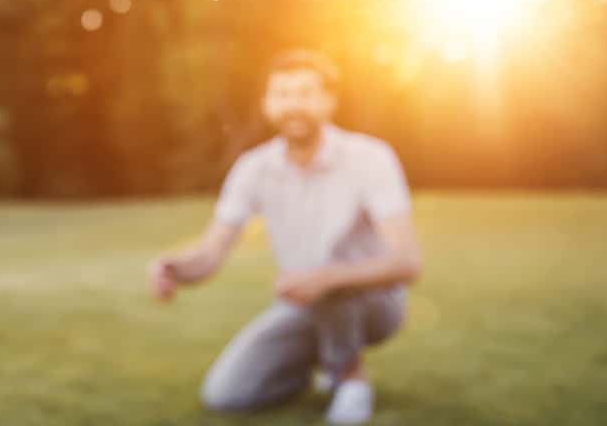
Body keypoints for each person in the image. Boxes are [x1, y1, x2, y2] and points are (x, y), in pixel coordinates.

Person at [147, 50, 422, 425]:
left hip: (376, 305)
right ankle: (323, 360)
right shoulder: (253, 169)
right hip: (304, 304)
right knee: (226, 395)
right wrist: (176, 268)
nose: (293, 104)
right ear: (266, 103)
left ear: (329, 101)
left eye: (305, 93)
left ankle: (350, 377)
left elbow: (406, 262)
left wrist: (325, 278)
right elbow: (211, 255)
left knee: (327, 279)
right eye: (282, 94)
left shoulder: (370, 158)